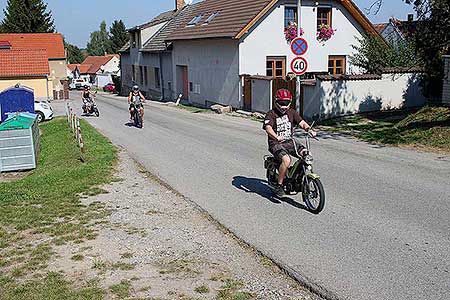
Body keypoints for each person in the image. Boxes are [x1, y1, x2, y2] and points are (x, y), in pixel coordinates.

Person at [263, 89, 316, 197]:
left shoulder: (291, 112)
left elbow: (301, 122)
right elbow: (268, 128)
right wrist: (276, 137)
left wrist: (309, 129)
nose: (284, 106)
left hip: (289, 142)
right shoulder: (271, 114)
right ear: (276, 101)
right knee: (286, 160)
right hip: (276, 143)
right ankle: (279, 185)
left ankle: (299, 177)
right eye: (282, 103)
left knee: (307, 154)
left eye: (286, 103)